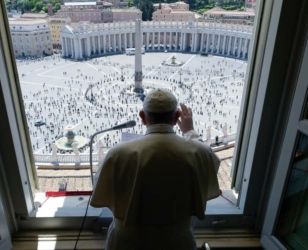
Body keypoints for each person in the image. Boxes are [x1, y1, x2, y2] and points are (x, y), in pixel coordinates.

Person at [90, 89, 220, 250]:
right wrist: (190, 132)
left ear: (142, 117)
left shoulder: (117, 154)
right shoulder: (199, 152)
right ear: (177, 117)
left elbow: (100, 189)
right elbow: (211, 168)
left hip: (128, 243)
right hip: (178, 243)